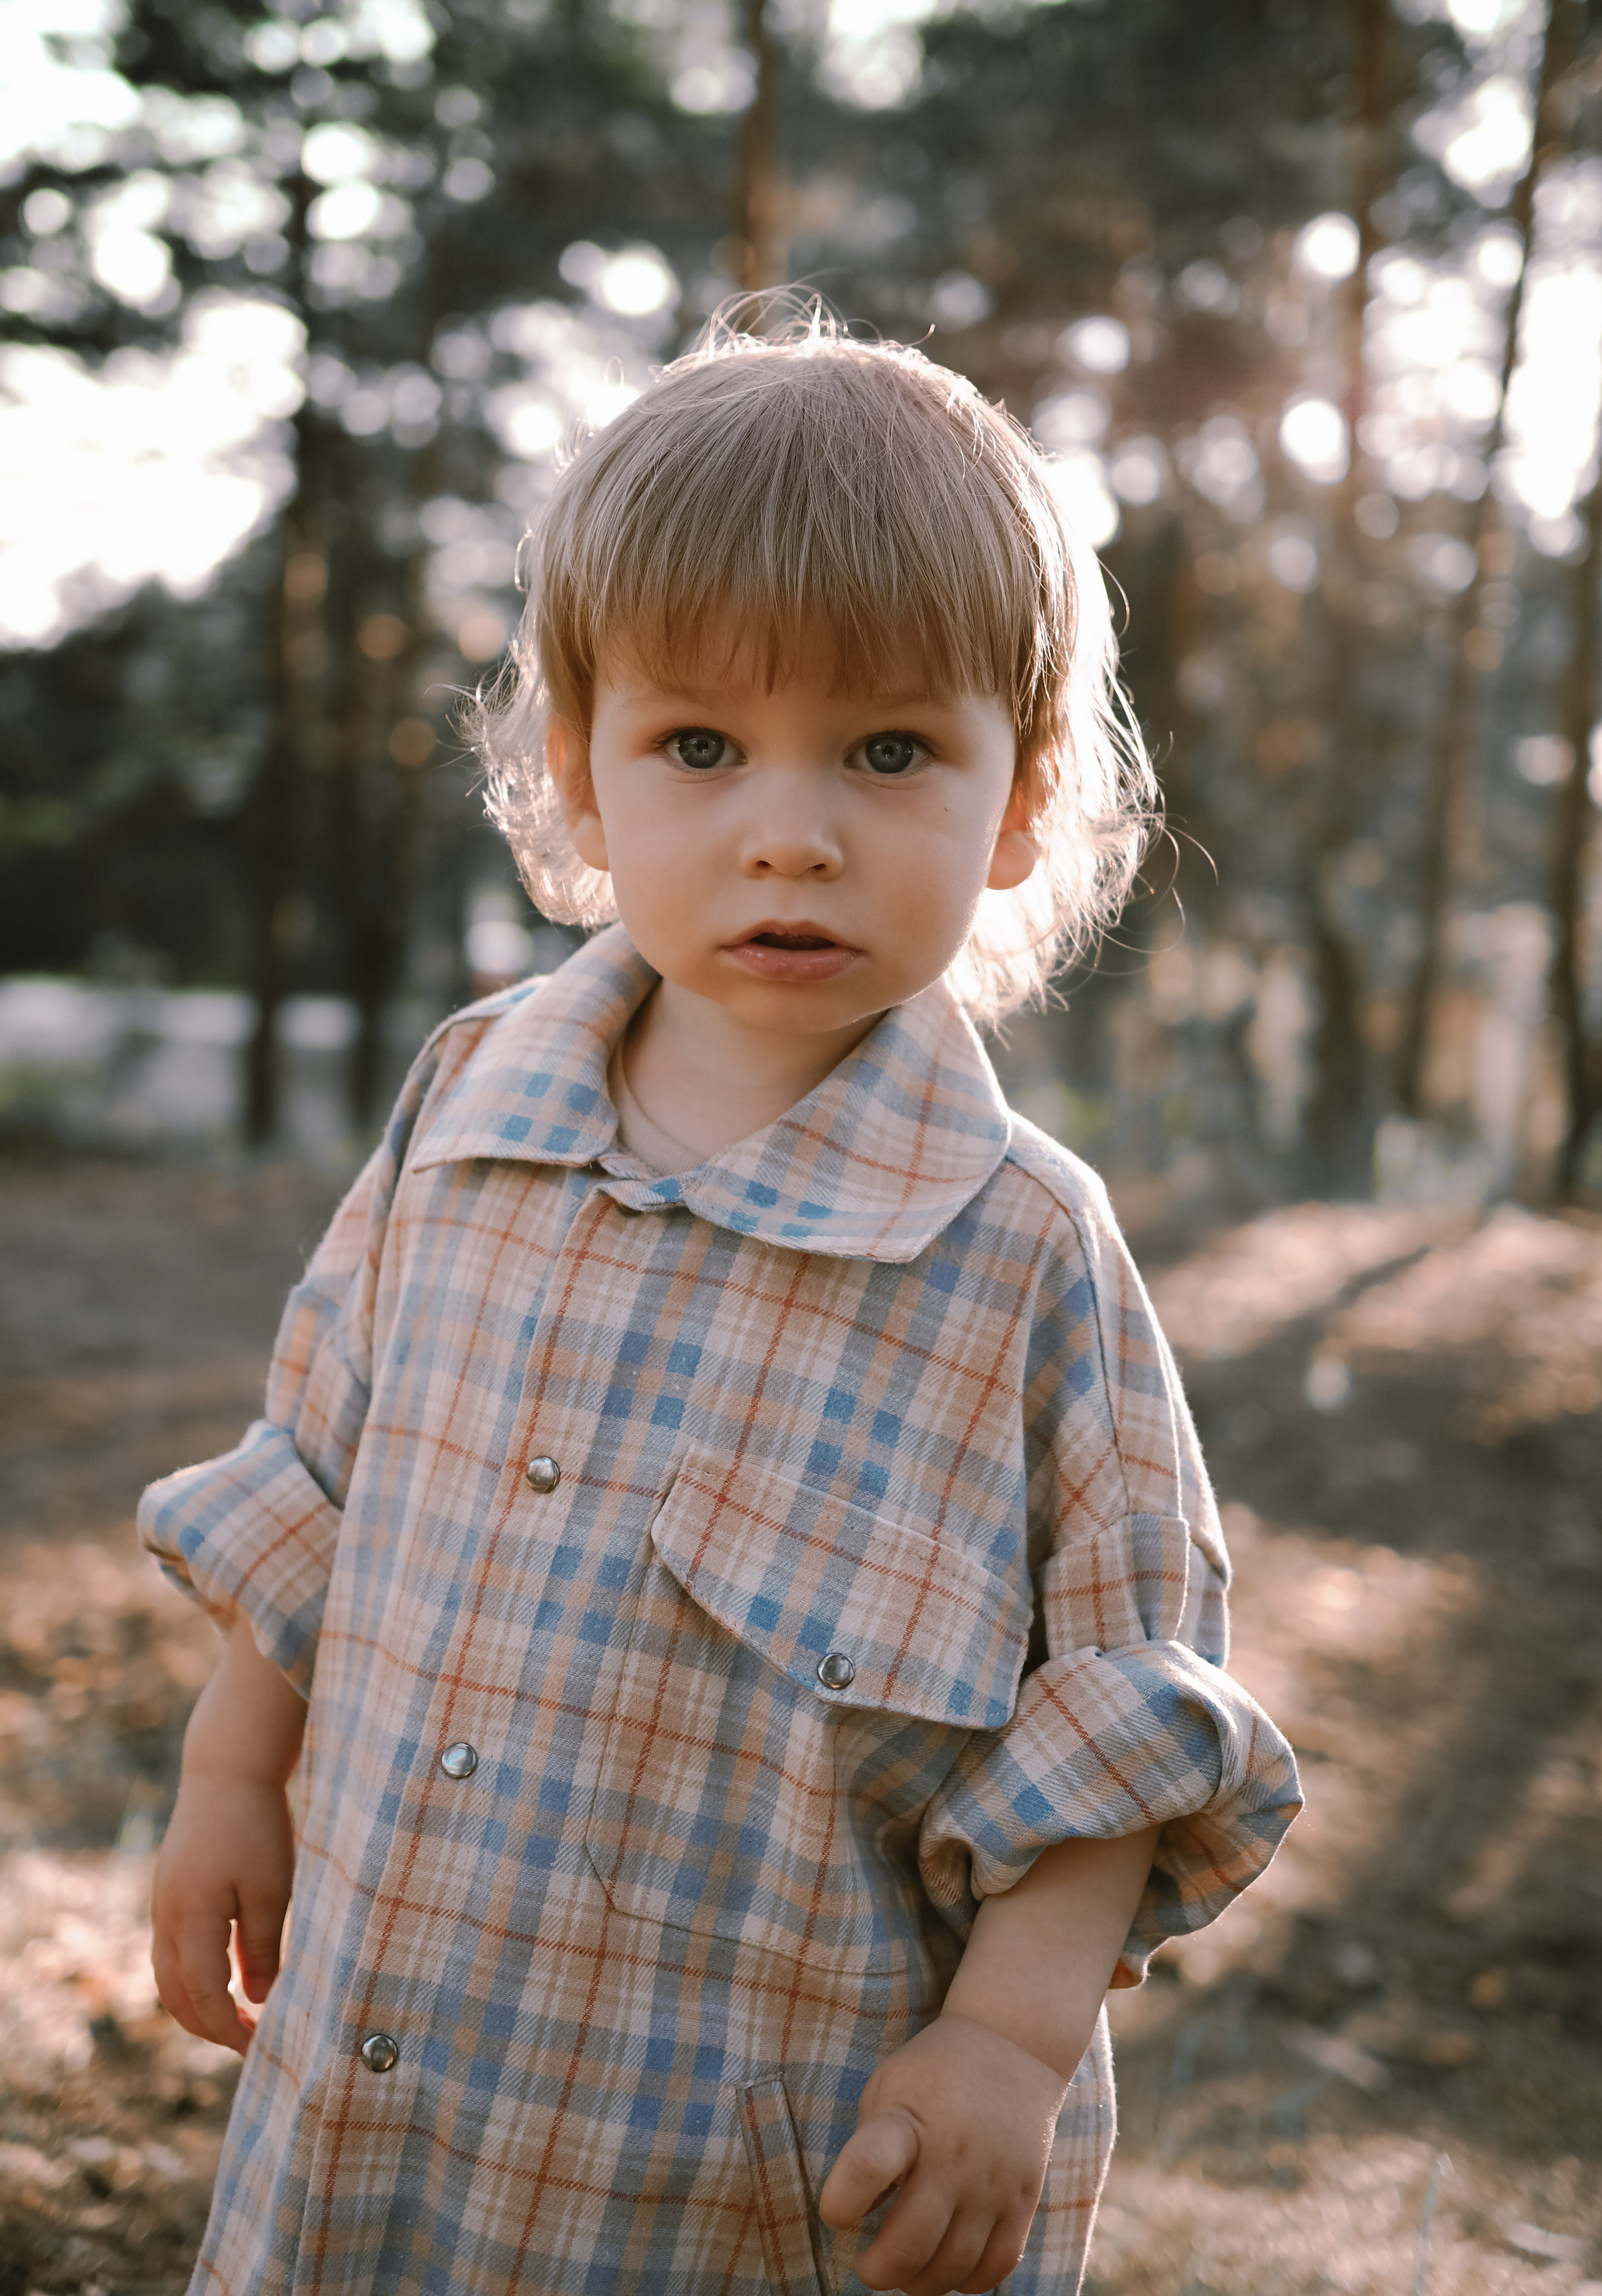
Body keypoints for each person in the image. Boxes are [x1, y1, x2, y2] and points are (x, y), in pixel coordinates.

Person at [141, 311, 1301, 2296]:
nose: (790, 826)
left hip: (741, 2172)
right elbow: (320, 1488)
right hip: (385, 2085)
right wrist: (232, 1779)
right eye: (699, 744)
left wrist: (1006, 2042)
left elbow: (1121, 1716)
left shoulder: (1021, 1255)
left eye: (888, 749)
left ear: (1018, 800)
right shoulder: (466, 1113)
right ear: (579, 773)